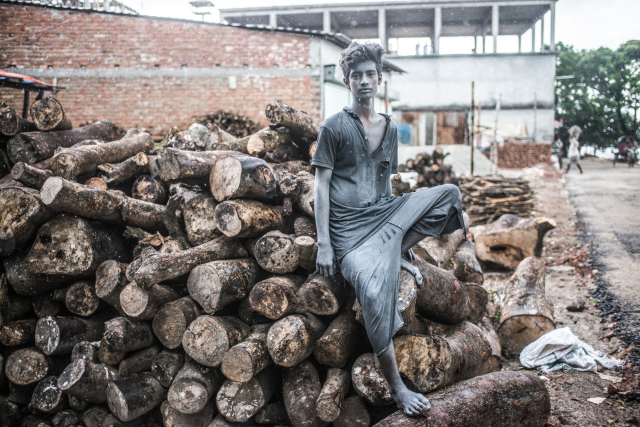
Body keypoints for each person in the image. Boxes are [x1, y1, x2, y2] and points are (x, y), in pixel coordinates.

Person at [312, 41, 465, 417]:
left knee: (449, 194)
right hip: (348, 231)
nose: (363, 81)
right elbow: (320, 187)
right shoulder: (333, 127)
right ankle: (397, 389)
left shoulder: (389, 127)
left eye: (370, 75)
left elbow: (385, 183)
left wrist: (402, 242)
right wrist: (325, 244)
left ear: (379, 80)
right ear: (346, 80)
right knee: (372, 287)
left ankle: (394, 249)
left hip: (382, 213)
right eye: (356, 75)